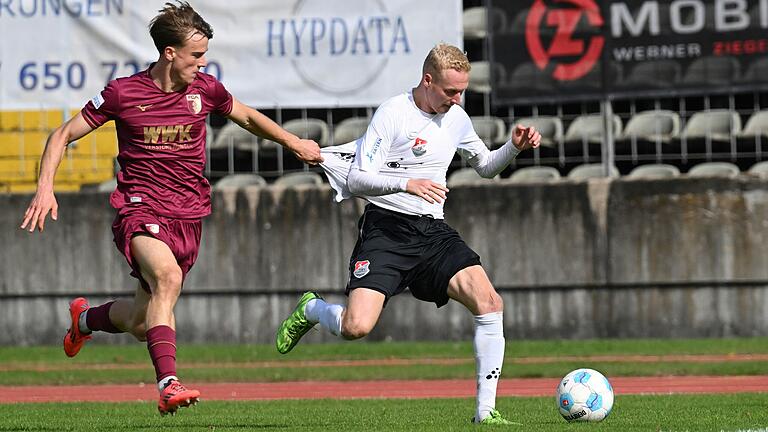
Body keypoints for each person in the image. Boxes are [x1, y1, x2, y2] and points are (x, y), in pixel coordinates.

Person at [20, 1, 322, 416]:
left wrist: (292, 142)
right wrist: (45, 188)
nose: (203, 64)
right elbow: (62, 135)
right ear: (170, 53)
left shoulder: (206, 90)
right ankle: (168, 384)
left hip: (188, 216)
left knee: (143, 323)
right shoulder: (123, 93)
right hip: (139, 210)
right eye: (196, 56)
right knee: (167, 277)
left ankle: (85, 320)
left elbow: (246, 116)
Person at [275, 43, 541, 425]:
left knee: (489, 302)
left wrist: (513, 148)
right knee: (356, 327)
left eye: (462, 90)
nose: (457, 98)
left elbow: (484, 166)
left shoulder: (457, 118)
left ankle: (486, 412)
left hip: (432, 232)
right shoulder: (393, 112)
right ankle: (313, 309)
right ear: (427, 80)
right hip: (386, 229)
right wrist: (407, 184)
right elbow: (357, 177)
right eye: (451, 91)